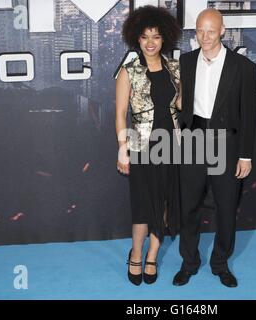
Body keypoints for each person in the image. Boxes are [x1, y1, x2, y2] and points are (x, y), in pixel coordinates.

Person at [173, 8, 256, 288]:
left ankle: (221, 264)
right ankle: (189, 262)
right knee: (188, 207)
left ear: (223, 30)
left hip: (228, 144)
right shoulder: (185, 62)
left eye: (211, 31)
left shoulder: (243, 67)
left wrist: (245, 155)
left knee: (225, 208)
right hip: (193, 141)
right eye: (200, 31)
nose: (205, 37)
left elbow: (249, 114)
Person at [115, 5, 182, 286]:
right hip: (142, 145)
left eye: (156, 36)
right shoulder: (128, 72)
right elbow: (120, 114)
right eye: (145, 37)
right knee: (143, 205)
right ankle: (137, 254)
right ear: (137, 40)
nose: (151, 42)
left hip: (174, 144)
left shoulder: (176, 68)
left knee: (165, 204)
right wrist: (123, 148)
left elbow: (181, 105)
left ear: (164, 37)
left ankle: (153, 255)